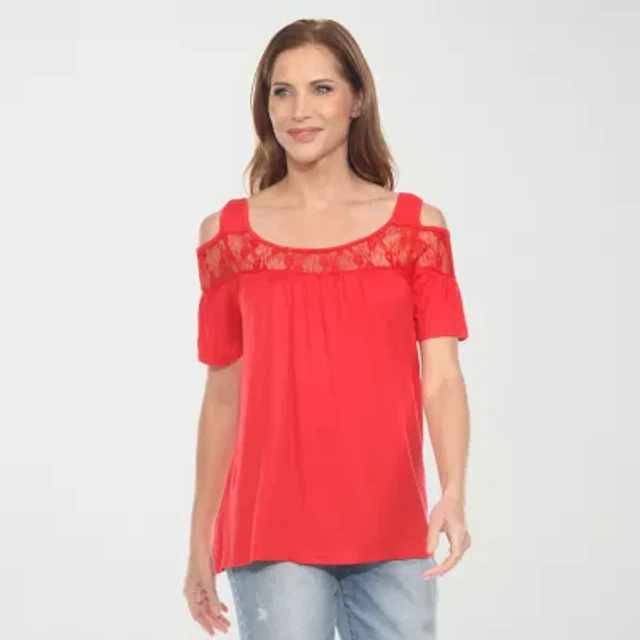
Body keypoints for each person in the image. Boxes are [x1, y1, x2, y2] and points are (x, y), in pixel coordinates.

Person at [183, 18, 472, 639]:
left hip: (394, 525)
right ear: (265, 106)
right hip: (271, 528)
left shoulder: (416, 230)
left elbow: (443, 378)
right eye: (281, 92)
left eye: (321, 88)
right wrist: (199, 538)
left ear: (357, 100)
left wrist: (452, 490)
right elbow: (223, 397)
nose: (299, 111)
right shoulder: (228, 236)